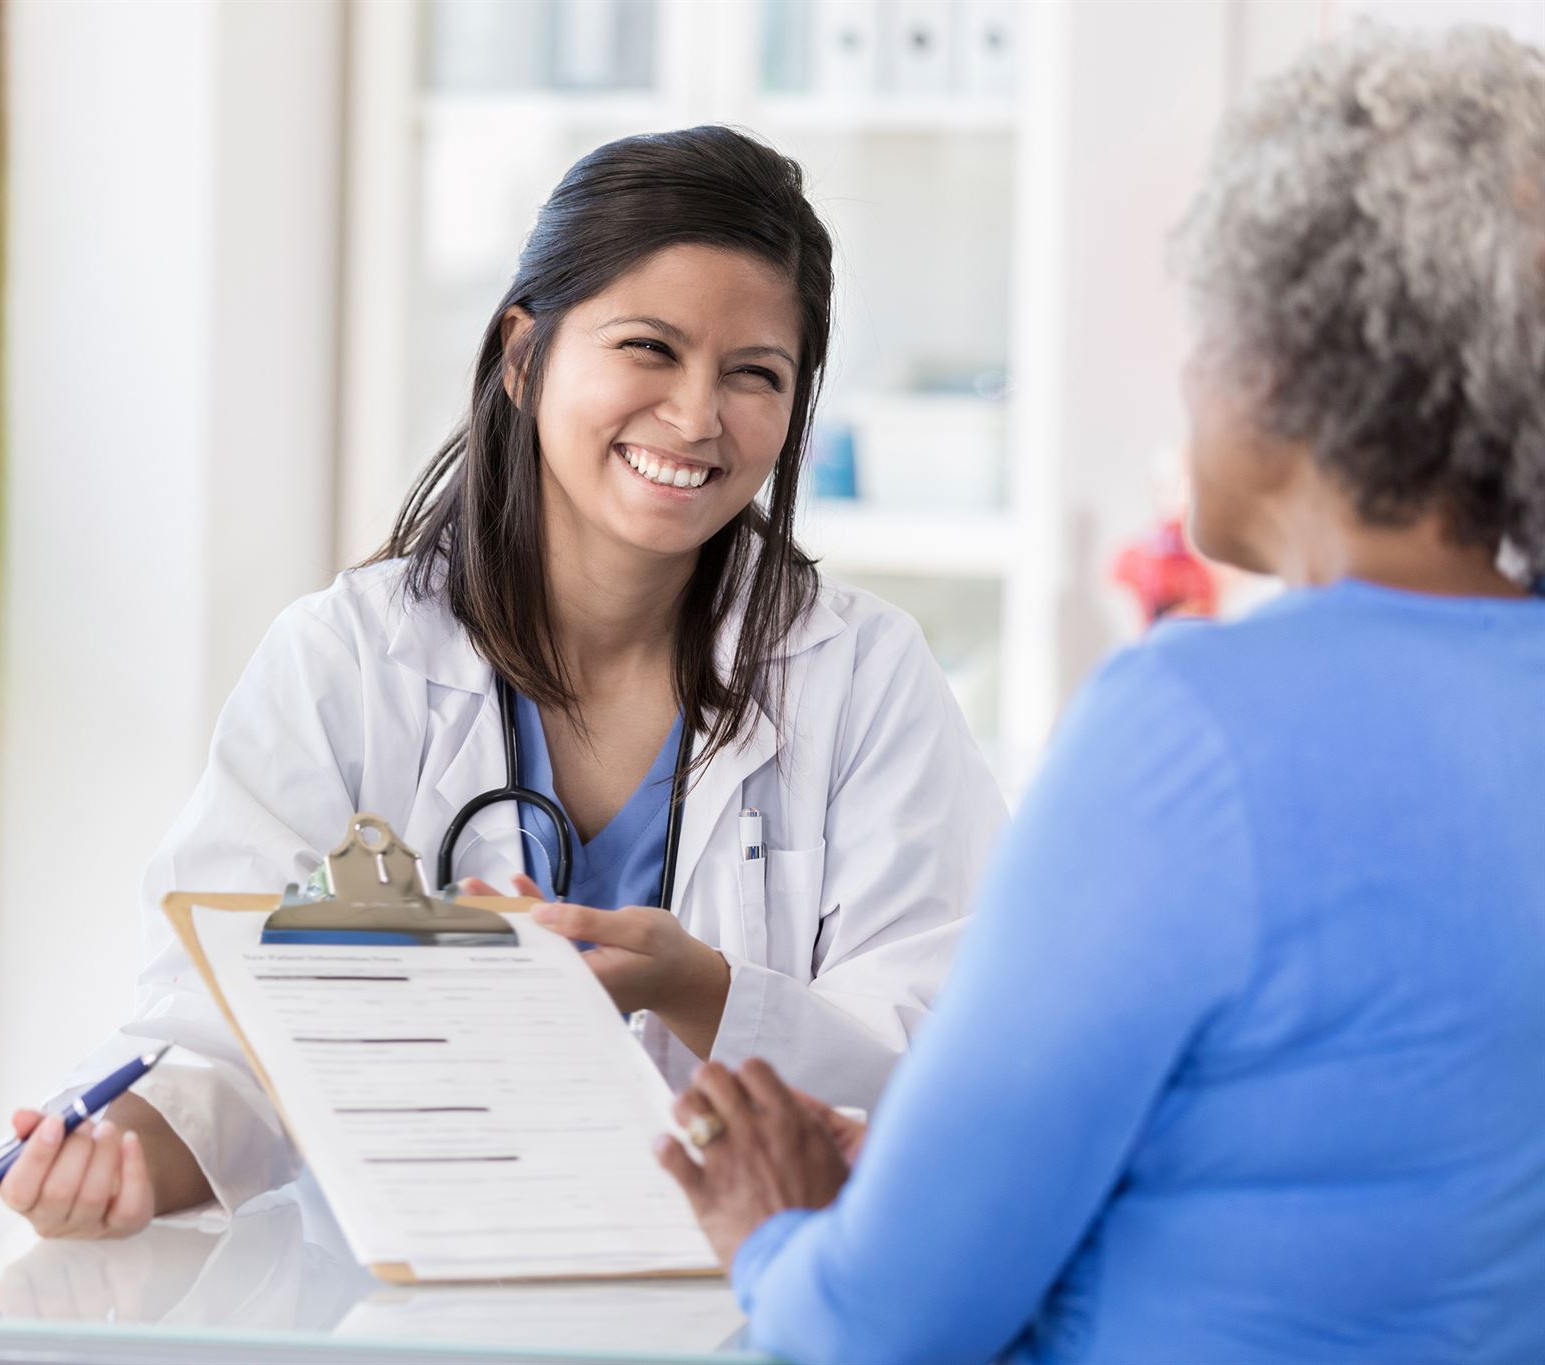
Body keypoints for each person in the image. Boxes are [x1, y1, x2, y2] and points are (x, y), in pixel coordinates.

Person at [655, 25, 1545, 1365]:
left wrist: (772, 1226)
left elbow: (877, 1331)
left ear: (1283, 369)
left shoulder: (1197, 730)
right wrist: (920, 1177)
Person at [0, 126, 1008, 1238]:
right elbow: (225, 1037)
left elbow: (942, 1044)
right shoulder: (346, 662)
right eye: (649, 349)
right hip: (419, 1301)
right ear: (522, 358)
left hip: (748, 1296)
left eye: (753, 374)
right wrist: (111, 1160)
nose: (694, 416)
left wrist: (694, 987)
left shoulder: (859, 676)